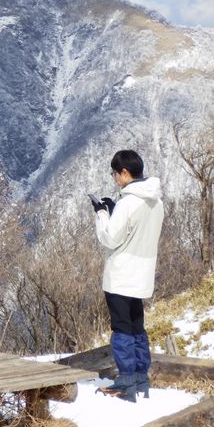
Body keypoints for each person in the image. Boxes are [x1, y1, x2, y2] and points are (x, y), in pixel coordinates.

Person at [90, 150, 164, 403]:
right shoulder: (156, 201)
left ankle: (126, 382)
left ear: (124, 172)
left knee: (121, 329)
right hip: (143, 274)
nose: (114, 179)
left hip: (121, 274)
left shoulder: (127, 203)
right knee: (136, 327)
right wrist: (115, 210)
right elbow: (138, 231)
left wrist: (101, 213)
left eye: (115, 174)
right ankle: (141, 378)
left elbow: (110, 238)